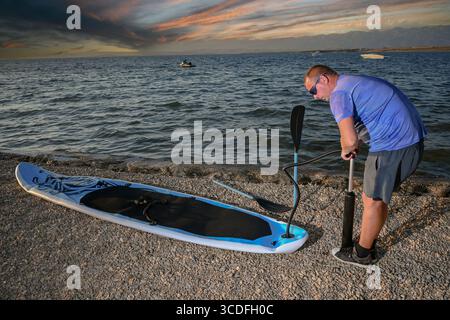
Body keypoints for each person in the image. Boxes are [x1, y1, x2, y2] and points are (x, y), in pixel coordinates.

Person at [304, 65, 427, 266]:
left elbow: (350, 140)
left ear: (324, 79)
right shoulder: (353, 82)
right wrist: (353, 142)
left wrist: (347, 147)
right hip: (411, 141)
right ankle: (368, 239)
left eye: (313, 91)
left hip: (394, 146)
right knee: (371, 197)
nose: (314, 97)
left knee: (373, 199)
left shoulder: (338, 95)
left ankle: (362, 254)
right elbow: (369, 116)